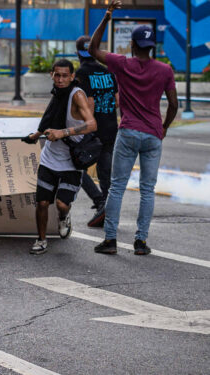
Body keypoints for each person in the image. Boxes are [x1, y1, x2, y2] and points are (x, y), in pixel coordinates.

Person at [88, 0, 178, 255]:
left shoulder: (122, 64)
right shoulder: (165, 70)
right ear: (151, 47)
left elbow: (93, 48)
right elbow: (173, 103)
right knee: (147, 191)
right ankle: (140, 242)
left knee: (117, 187)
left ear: (132, 45)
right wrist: (164, 127)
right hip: (152, 135)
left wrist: (107, 17)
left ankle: (111, 240)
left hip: (127, 132)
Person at [22, 59, 97, 255]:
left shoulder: (77, 95)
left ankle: (64, 217)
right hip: (50, 158)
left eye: (65, 76)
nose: (61, 79)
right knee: (42, 203)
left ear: (72, 77)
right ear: (52, 75)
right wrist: (37, 135)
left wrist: (63, 133)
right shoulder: (57, 94)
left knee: (62, 204)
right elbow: (49, 118)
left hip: (72, 161)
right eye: (57, 75)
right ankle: (41, 239)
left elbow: (91, 125)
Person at [74, 35, 119, 228]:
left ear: (78, 53)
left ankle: (100, 201)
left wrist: (83, 129)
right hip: (110, 127)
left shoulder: (81, 73)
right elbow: (117, 101)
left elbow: (88, 104)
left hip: (93, 130)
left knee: (76, 166)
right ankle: (108, 208)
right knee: (105, 171)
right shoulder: (107, 72)